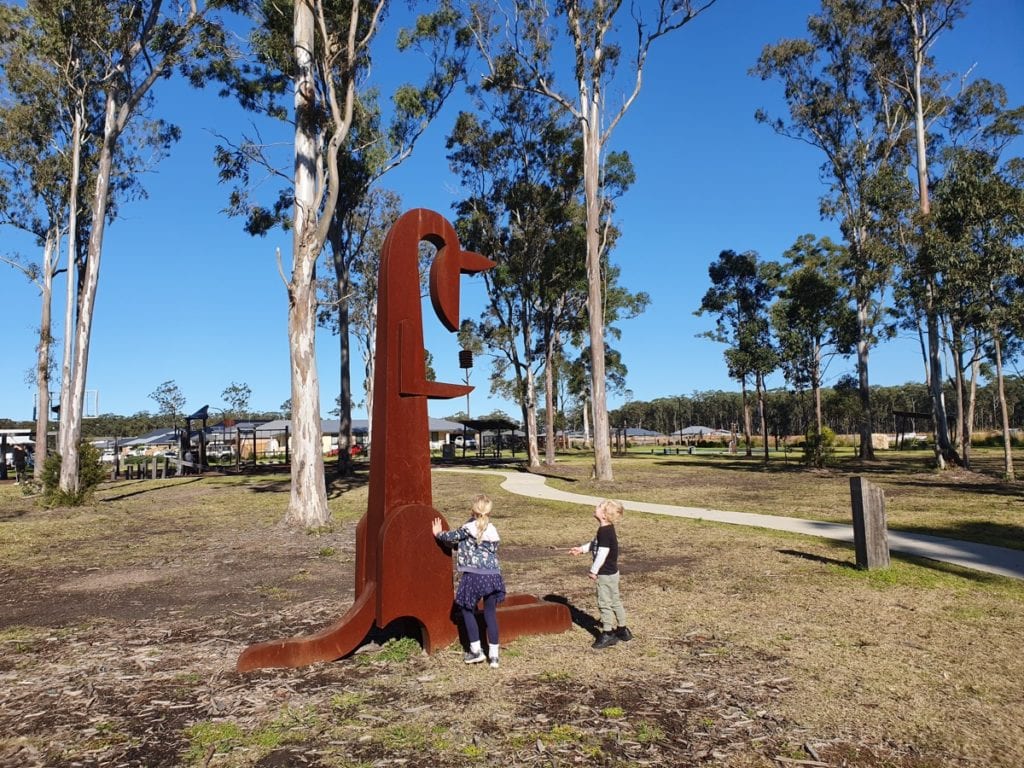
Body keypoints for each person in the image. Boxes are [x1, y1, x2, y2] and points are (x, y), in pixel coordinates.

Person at [432, 494, 506, 668]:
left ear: (472, 510)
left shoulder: (467, 528)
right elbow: (479, 547)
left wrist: (437, 533)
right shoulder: (493, 530)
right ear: (489, 511)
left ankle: (476, 650)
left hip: (473, 576)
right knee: (490, 614)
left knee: (466, 609)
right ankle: (494, 656)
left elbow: (450, 537)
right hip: (493, 575)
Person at [569, 499, 632, 649]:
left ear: (604, 515)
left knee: (604, 603)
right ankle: (623, 630)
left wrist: (593, 571)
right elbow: (595, 544)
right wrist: (582, 549)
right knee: (615, 600)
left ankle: (608, 633)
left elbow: (603, 553)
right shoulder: (606, 529)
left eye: (598, 507)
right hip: (613, 573)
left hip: (604, 574)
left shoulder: (604, 531)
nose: (595, 507)